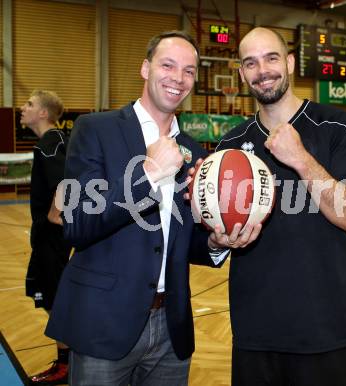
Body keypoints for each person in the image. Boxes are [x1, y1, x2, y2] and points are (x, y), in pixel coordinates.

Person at [45, 30, 259, 386]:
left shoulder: (195, 152)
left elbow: (182, 240)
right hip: (104, 323)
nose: (178, 78)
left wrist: (215, 244)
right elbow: (77, 224)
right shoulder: (95, 129)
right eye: (168, 65)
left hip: (170, 329)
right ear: (145, 68)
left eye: (189, 70)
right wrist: (148, 174)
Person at [212, 27, 346, 386]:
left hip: (327, 331)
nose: (262, 70)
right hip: (255, 334)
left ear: (288, 63)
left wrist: (301, 159)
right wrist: (215, 237)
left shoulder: (336, 125)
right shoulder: (231, 144)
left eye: (271, 58)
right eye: (251, 63)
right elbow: (213, 235)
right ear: (242, 74)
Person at [21, 90, 72, 385]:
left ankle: (67, 365)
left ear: (43, 113)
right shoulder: (57, 140)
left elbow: (64, 182)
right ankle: (68, 358)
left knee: (54, 299)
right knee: (51, 298)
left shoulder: (50, 141)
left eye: (29, 104)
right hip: (52, 238)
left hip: (51, 238)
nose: (22, 108)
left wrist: (56, 215)